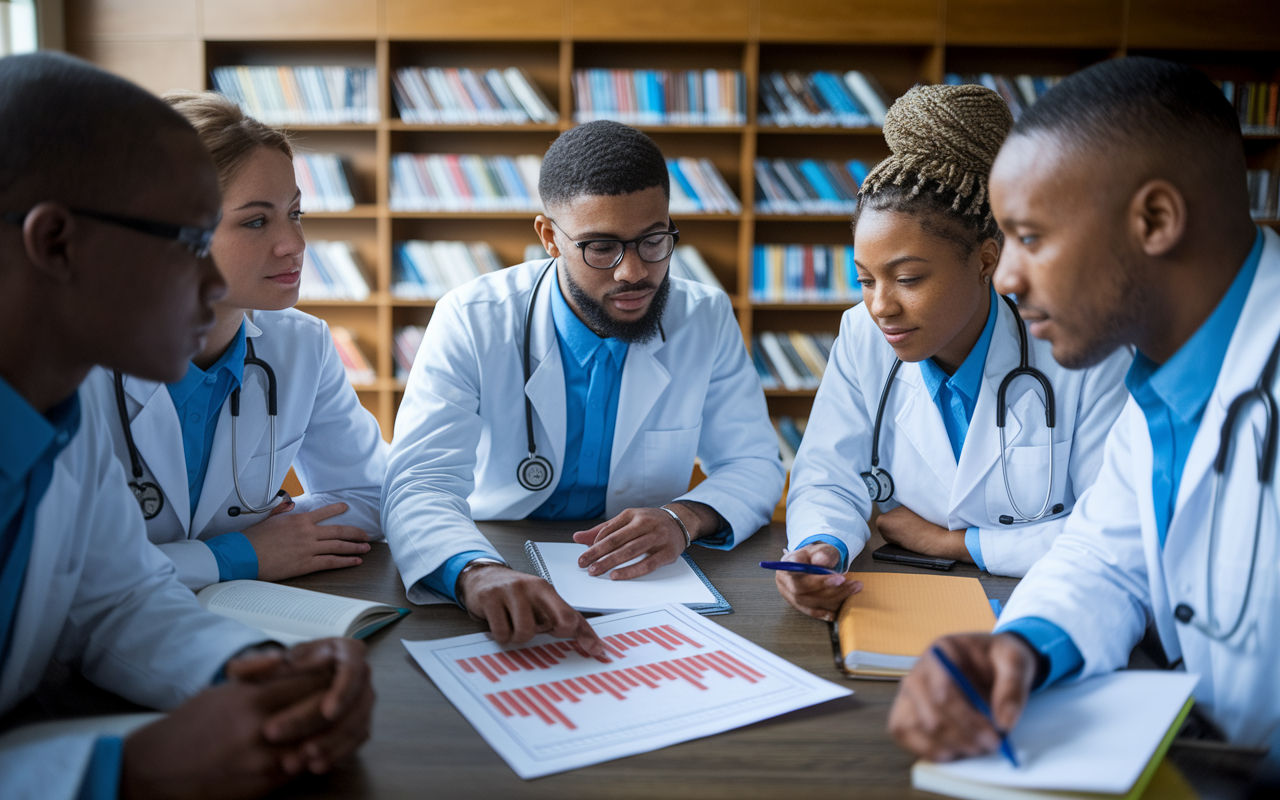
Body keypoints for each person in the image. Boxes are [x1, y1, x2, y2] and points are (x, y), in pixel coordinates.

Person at [888, 57, 1280, 775]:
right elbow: (1108, 560)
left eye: (1031, 237)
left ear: (1155, 220)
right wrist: (1021, 646)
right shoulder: (1161, 381)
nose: (1004, 277)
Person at [0, 52, 373, 798]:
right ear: (57, 243)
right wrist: (125, 772)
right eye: (184, 240)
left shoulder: (57, 417)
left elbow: (119, 601)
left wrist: (252, 671)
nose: (211, 283)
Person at [384, 120, 784, 651]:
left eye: (653, 240)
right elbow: (419, 481)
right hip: (496, 550)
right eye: (601, 247)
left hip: (647, 580)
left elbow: (753, 464)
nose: (633, 273)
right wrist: (474, 572)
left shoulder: (703, 316)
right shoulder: (472, 317)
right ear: (550, 237)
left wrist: (683, 517)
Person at [775, 84, 1132, 620]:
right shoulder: (861, 334)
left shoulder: (1083, 349)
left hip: (1051, 606)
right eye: (866, 280)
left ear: (987, 260)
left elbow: (1115, 528)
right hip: (899, 601)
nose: (881, 307)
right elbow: (828, 475)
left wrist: (957, 544)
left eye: (909, 278)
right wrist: (822, 544)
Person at [80, 91, 388, 591]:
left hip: (240, 618)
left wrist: (284, 534)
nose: (295, 245)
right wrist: (238, 553)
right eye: (256, 221)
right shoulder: (70, 365)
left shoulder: (300, 345)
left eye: (296, 213)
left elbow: (373, 493)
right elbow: (62, 568)